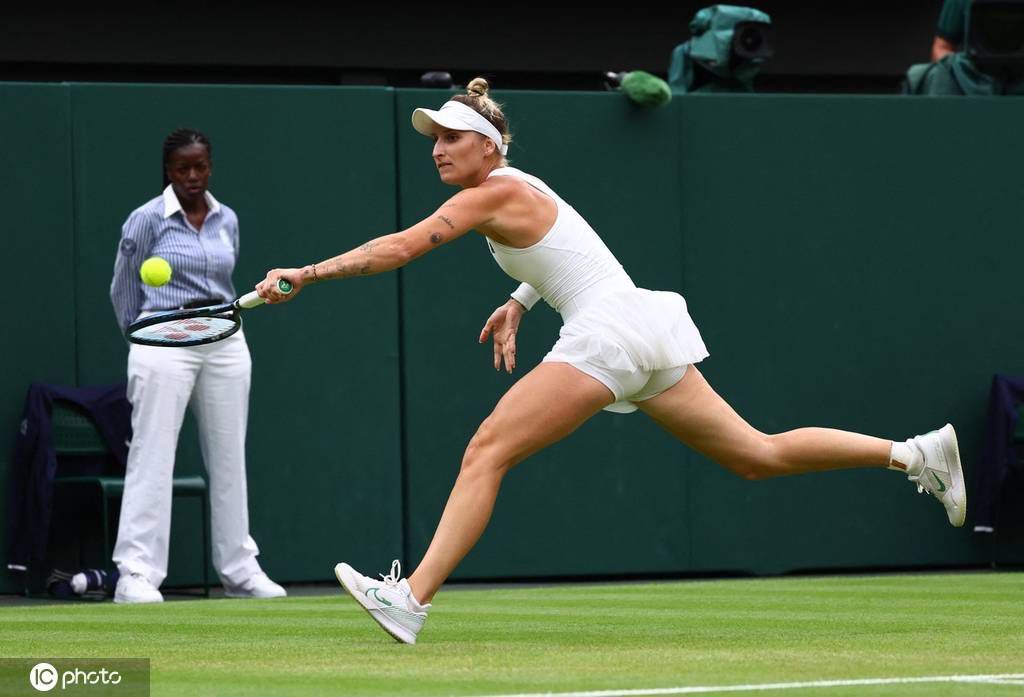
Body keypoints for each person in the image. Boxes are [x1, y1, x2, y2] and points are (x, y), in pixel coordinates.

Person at [255, 78, 966, 643]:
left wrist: (306, 275)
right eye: (434, 138)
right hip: (637, 327)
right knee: (757, 452)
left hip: (608, 333)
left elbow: (402, 248)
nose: (438, 148)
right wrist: (520, 302)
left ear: (487, 147)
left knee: (486, 449)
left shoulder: (491, 193)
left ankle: (410, 598)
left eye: (451, 138)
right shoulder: (520, 186)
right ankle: (915, 454)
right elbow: (567, 250)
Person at [109, 128, 286, 603]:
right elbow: (123, 288)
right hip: (163, 340)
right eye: (182, 168)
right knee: (153, 454)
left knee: (230, 459)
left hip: (224, 339)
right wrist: (141, 335)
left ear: (210, 166)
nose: (192, 175)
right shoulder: (145, 220)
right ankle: (136, 574)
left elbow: (226, 276)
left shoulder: (226, 218)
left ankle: (239, 570)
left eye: (200, 166)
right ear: (168, 171)